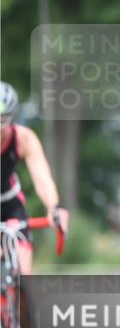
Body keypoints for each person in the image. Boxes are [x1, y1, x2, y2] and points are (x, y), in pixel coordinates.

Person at [0, 81, 71, 277]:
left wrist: (53, 208)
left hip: (10, 204)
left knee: (23, 273)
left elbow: (42, 177)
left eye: (2, 121)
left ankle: (22, 301)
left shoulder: (24, 139)